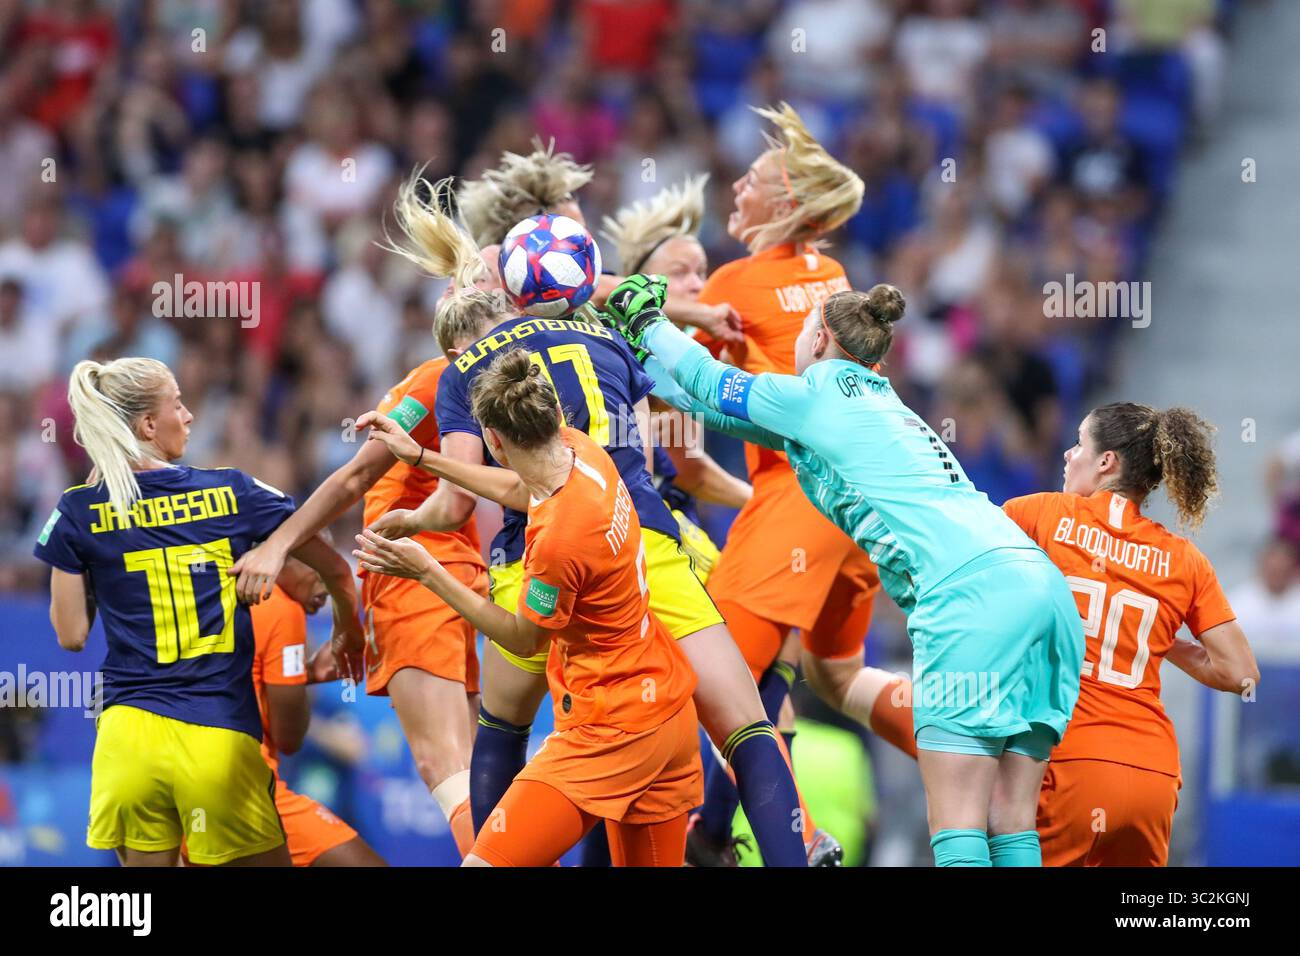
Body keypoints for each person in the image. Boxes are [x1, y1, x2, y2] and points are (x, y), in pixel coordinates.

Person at [362, 172, 811, 866]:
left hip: (540, 556)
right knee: (746, 724)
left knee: (505, 723)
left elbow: (455, 505)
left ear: (506, 290)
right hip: (642, 545)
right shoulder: (612, 347)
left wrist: (412, 520)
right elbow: (649, 456)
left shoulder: (465, 368)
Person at [606, 282, 1084, 867]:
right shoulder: (879, 404)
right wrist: (637, 364)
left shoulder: (818, 397)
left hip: (969, 601)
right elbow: (710, 404)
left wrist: (643, 318)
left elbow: (709, 380)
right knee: (1010, 819)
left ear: (820, 337)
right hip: (1041, 591)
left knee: (958, 821)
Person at [849, 405, 1261, 865]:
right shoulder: (1186, 560)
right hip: (1153, 774)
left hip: (1069, 764)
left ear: (1106, 462)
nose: (1067, 455)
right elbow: (1238, 671)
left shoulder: (1038, 517)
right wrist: (1158, 641)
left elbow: (964, 571)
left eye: (1079, 444)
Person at [354, 350, 703, 866]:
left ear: (492, 441)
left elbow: (522, 638)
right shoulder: (581, 451)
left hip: (610, 728)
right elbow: (521, 488)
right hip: (668, 713)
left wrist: (429, 572)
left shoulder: (559, 543)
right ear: (555, 417)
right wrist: (422, 458)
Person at [231, 179, 491, 858]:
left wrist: (278, 543)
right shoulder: (502, 383)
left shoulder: (436, 379)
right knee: (475, 774)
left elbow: (355, 476)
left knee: (445, 769)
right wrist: (354, 628)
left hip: (414, 577)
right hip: (461, 578)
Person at [34, 357, 364, 867]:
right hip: (217, 739)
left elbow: (72, 634)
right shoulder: (233, 491)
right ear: (147, 424)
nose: (188, 416)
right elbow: (334, 570)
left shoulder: (78, 510)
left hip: (127, 742)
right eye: (178, 404)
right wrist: (346, 625)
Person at [679, 103, 917, 770]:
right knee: (836, 676)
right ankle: (972, 758)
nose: (736, 188)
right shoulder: (834, 279)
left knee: (702, 682)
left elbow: (668, 382)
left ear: (784, 203)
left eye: (750, 181)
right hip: (867, 505)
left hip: (800, 495)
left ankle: (757, 835)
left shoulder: (737, 282)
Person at [250, 557, 387, 866]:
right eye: (319, 562)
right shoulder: (281, 606)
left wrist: (303, 675)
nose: (327, 582)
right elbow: (289, 738)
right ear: (285, 558)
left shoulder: (216, 599)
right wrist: (295, 682)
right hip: (246, 790)